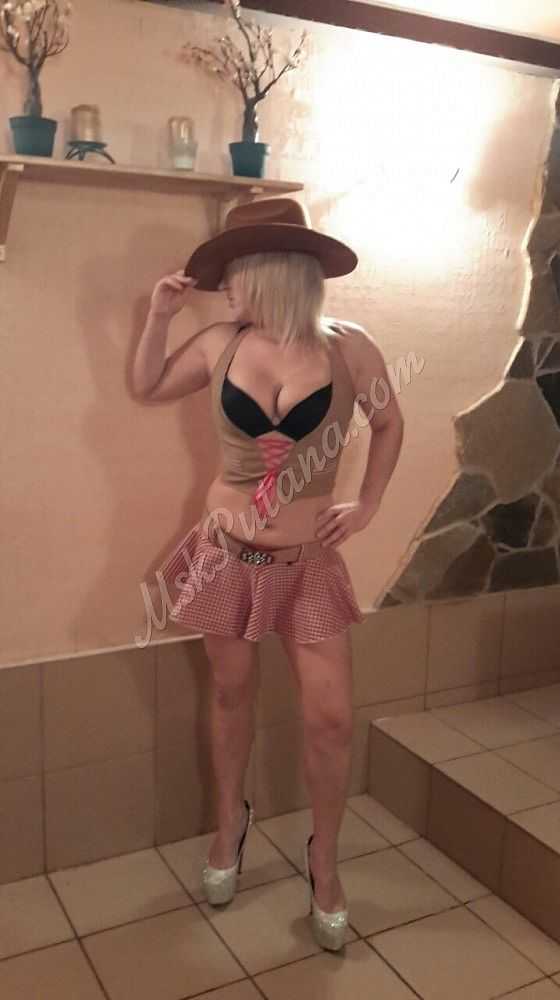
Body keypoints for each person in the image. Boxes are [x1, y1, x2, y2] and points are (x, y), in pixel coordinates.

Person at [132, 197, 404, 951]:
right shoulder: (220, 342)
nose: (225, 287)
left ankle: (325, 860)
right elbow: (147, 385)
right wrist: (157, 317)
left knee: (331, 718)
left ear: (274, 272)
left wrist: (368, 503)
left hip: (308, 566)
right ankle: (230, 828)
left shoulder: (351, 348)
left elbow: (389, 421)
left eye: (235, 271)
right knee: (229, 695)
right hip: (227, 556)